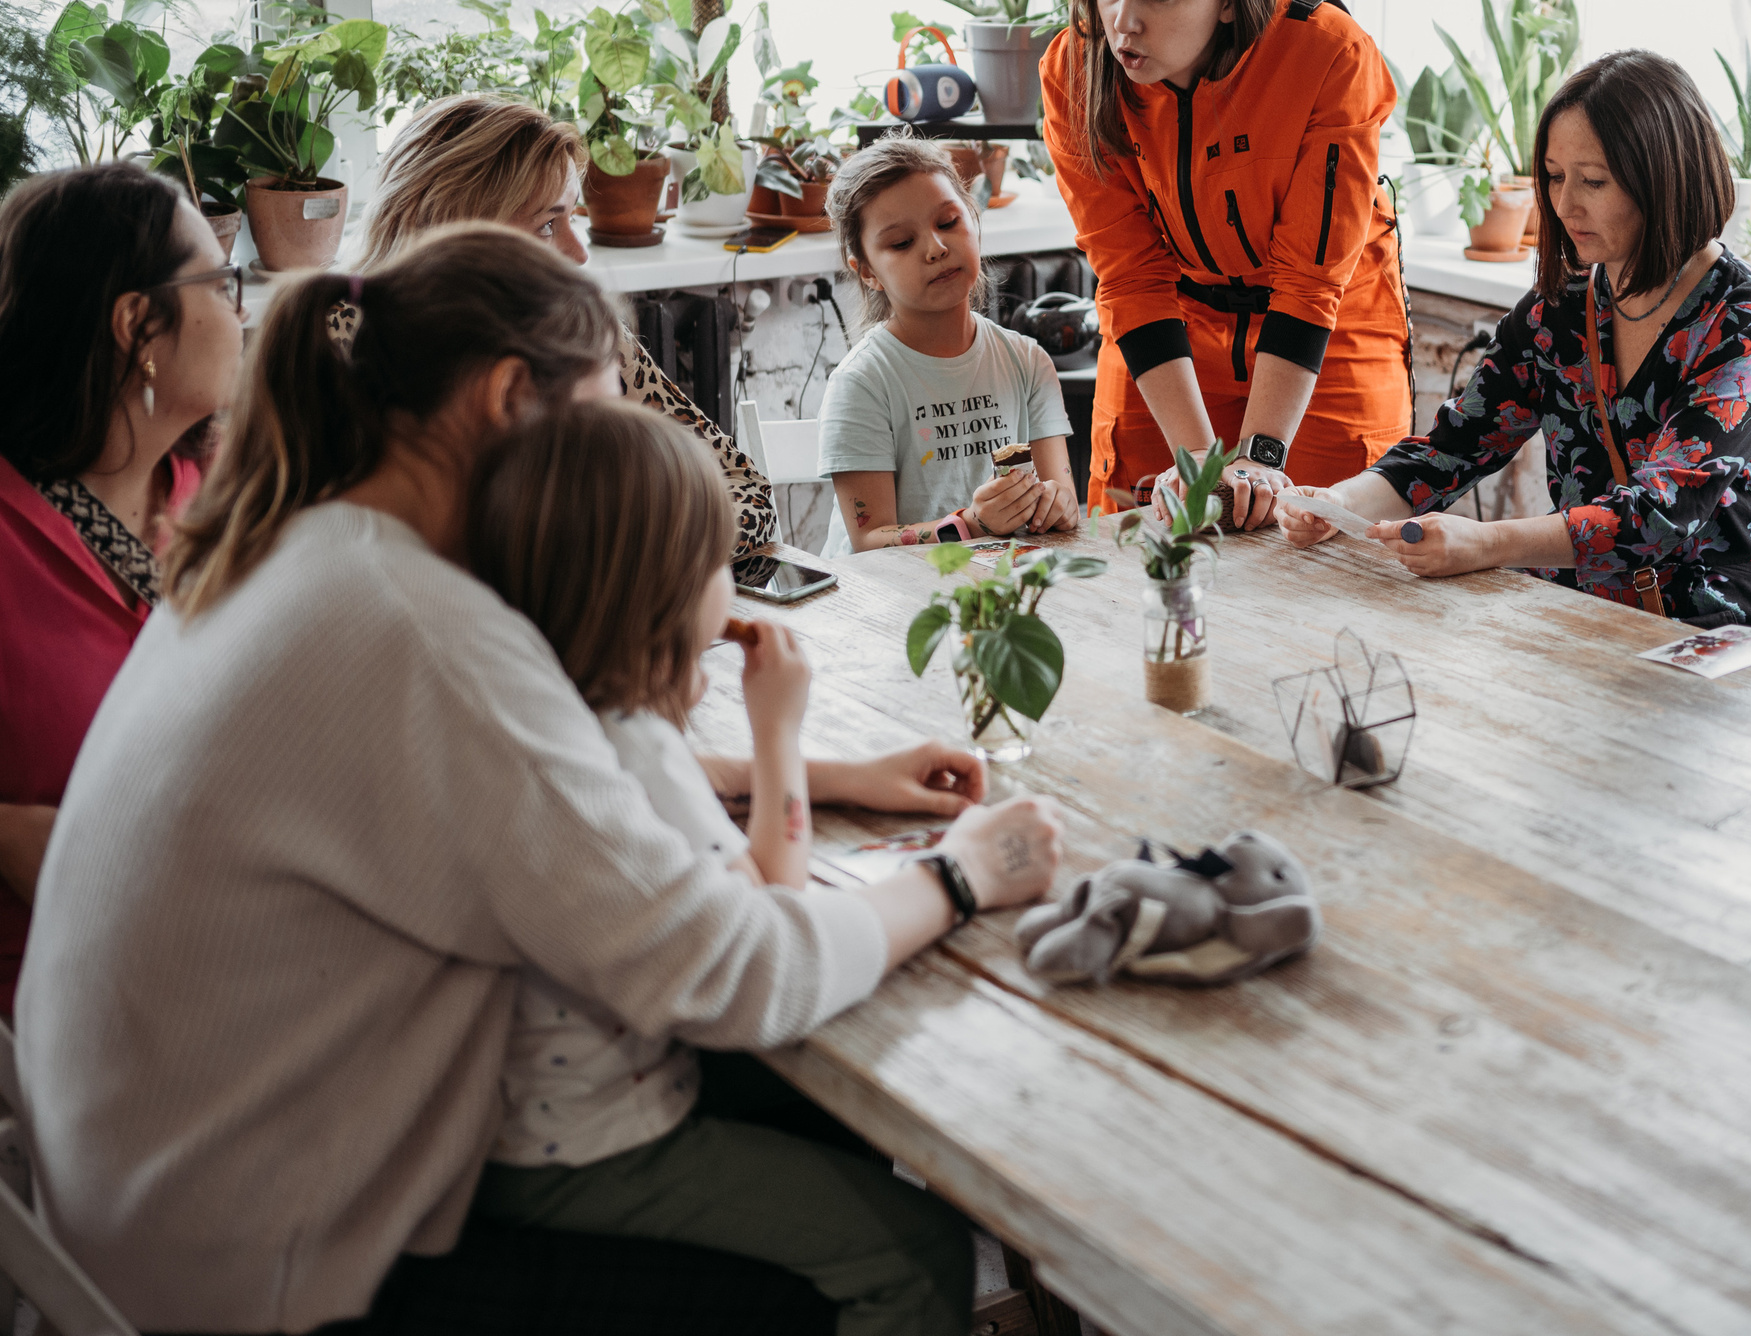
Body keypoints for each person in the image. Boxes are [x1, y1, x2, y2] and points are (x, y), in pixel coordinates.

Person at [18, 224, 1066, 1332]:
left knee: (802, 1106)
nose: (618, 453)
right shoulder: (418, 627)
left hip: (140, 1198)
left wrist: (818, 771)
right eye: (609, 410)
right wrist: (957, 875)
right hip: (265, 1269)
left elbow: (516, 788)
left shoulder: (314, 545)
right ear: (511, 398)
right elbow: (738, 972)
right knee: (880, 1241)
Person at [466, 400, 975, 1333]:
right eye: (714, 565)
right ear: (657, 593)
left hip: (533, 1128)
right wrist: (777, 728)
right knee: (921, 1252)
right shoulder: (631, 744)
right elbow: (776, 921)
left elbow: (691, 797)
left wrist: (852, 775)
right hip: (592, 1153)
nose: (731, 589)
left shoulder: (560, 711)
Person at [1277, 49, 1751, 628]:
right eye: (1553, 176)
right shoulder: (1563, 307)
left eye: (1593, 181)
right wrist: (1340, 503)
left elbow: (1662, 511)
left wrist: (1485, 543)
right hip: (1576, 620)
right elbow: (1452, 447)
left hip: (1711, 640)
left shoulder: (1742, 316)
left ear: (1663, 179)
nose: (1565, 204)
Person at [1041, 0, 1407, 527]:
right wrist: (1203, 464)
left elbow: (1309, 280)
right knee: (1146, 540)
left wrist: (1260, 455)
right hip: (1170, 321)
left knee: (1332, 551)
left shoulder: (1328, 55)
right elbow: (1130, 275)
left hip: (1331, 325)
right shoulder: (1076, 68)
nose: (1123, 22)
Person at [0, 164, 243, 1015]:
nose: (239, 313)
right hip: (53, 1008)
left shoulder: (216, 497)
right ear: (139, 323)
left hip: (224, 957)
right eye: (220, 280)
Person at [356, 93, 778, 556]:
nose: (578, 254)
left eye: (571, 216)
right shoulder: (344, 350)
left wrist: (616, 560)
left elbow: (744, 487)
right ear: (453, 231)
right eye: (545, 225)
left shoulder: (582, 337)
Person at [816, 135, 1078, 550]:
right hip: (887, 602)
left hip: (997, 590)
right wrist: (972, 524)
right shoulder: (862, 383)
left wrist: (1056, 506)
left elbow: (1063, 499)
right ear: (866, 270)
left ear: (973, 218)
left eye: (948, 222)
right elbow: (868, 537)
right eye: (902, 243)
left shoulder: (1028, 362)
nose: (936, 248)